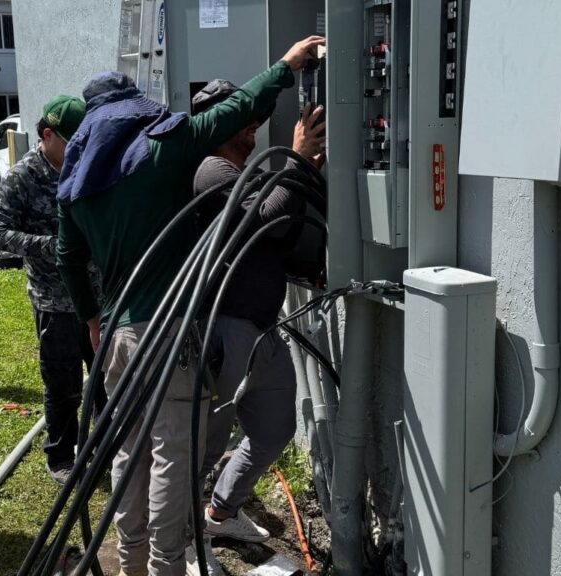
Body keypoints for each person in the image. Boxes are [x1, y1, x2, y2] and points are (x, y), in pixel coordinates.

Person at [57, 36, 325, 576]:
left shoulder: (78, 190)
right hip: (168, 332)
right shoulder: (159, 155)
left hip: (117, 336)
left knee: (130, 454)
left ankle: (133, 563)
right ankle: (166, 567)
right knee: (172, 457)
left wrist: (92, 322)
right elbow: (233, 110)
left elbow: (68, 260)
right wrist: (286, 66)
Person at [189, 81, 324, 558]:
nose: (251, 129)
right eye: (241, 121)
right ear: (217, 122)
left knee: (274, 428)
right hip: (228, 329)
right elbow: (267, 222)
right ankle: (184, 543)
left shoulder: (241, 171)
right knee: (204, 446)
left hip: (263, 329)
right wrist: (300, 161)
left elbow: (281, 234)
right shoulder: (212, 171)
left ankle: (220, 513)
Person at [0, 95, 103, 485]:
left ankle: (106, 447)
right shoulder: (23, 176)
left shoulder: (88, 168)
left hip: (98, 297)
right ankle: (61, 457)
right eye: (74, 140)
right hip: (54, 300)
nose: (81, 148)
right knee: (62, 383)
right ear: (48, 134)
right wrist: (51, 245)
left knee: (105, 376)